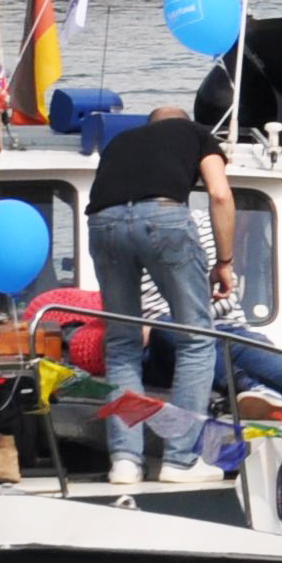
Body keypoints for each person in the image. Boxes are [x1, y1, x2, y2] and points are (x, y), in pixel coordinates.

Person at [84, 111, 235, 485]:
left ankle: (124, 461)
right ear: (181, 121)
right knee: (196, 339)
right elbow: (219, 193)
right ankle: (180, 461)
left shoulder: (120, 143)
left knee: (121, 343)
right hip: (164, 218)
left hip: (102, 224)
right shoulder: (196, 132)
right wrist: (225, 262)